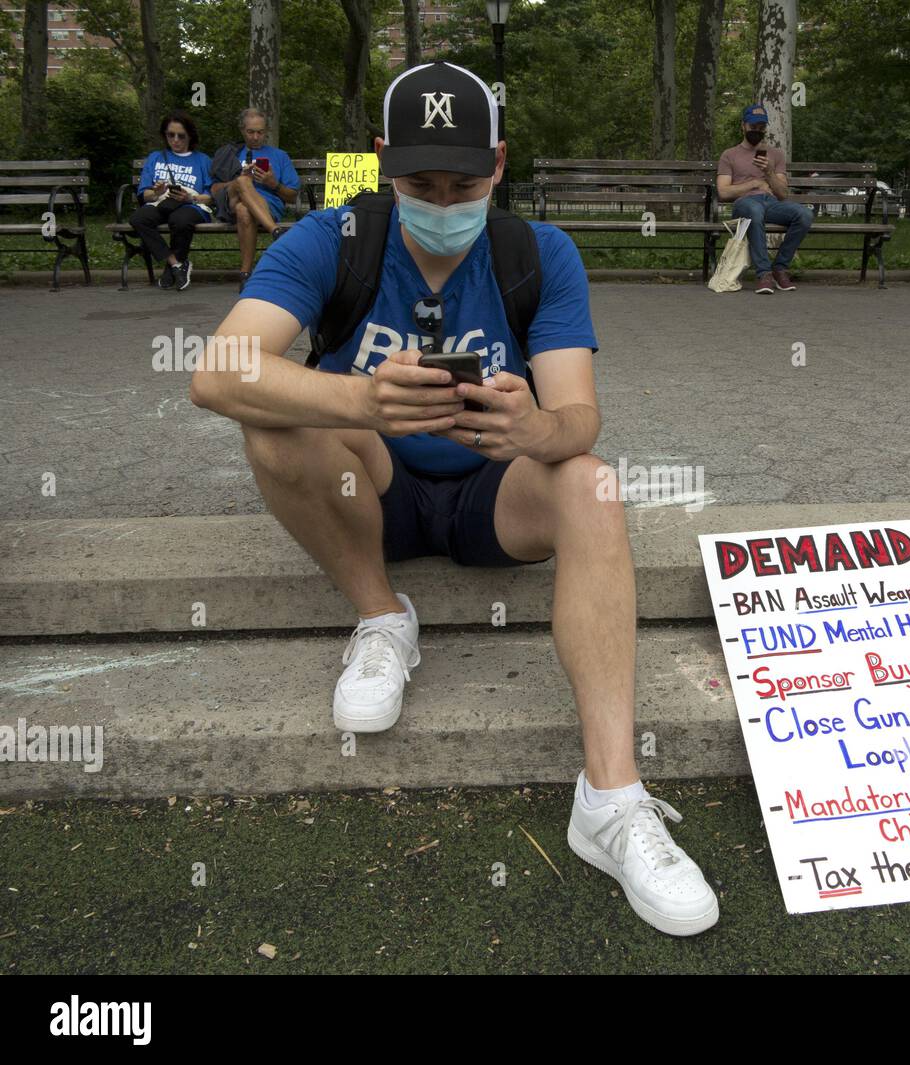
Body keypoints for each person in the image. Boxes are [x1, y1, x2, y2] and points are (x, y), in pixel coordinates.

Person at [190, 62, 719, 938]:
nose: (443, 201)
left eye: (464, 182)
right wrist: (361, 399)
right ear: (380, 160)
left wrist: (534, 431)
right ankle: (382, 616)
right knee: (272, 419)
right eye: (419, 183)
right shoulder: (333, 236)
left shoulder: (536, 251)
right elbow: (220, 371)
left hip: (491, 490)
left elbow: (580, 416)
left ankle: (612, 798)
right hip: (374, 485)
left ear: (500, 164)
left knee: (592, 481)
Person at [716, 104, 814, 294]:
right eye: (753, 127)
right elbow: (724, 192)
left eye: (761, 128)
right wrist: (753, 184)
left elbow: (783, 194)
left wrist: (768, 172)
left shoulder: (775, 155)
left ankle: (779, 268)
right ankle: (763, 273)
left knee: (804, 215)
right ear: (743, 126)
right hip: (744, 204)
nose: (757, 131)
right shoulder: (729, 155)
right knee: (754, 210)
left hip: (771, 203)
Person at [208, 108, 301, 291]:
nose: (256, 137)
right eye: (251, 132)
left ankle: (245, 274)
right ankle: (275, 231)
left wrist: (273, 184)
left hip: (266, 206)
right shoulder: (230, 153)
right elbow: (214, 189)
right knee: (243, 181)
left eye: (260, 132)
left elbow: (292, 195)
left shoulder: (279, 156)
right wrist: (238, 180)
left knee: (244, 210)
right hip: (230, 203)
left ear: (266, 131)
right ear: (243, 130)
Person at [129, 111, 215, 291]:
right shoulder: (155, 158)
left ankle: (171, 269)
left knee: (180, 220)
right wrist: (156, 192)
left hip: (192, 205)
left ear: (190, 136)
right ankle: (175, 263)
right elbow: (144, 194)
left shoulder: (203, 160)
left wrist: (190, 197)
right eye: (170, 135)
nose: (175, 140)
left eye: (181, 136)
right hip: (161, 202)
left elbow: (211, 197)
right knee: (139, 219)